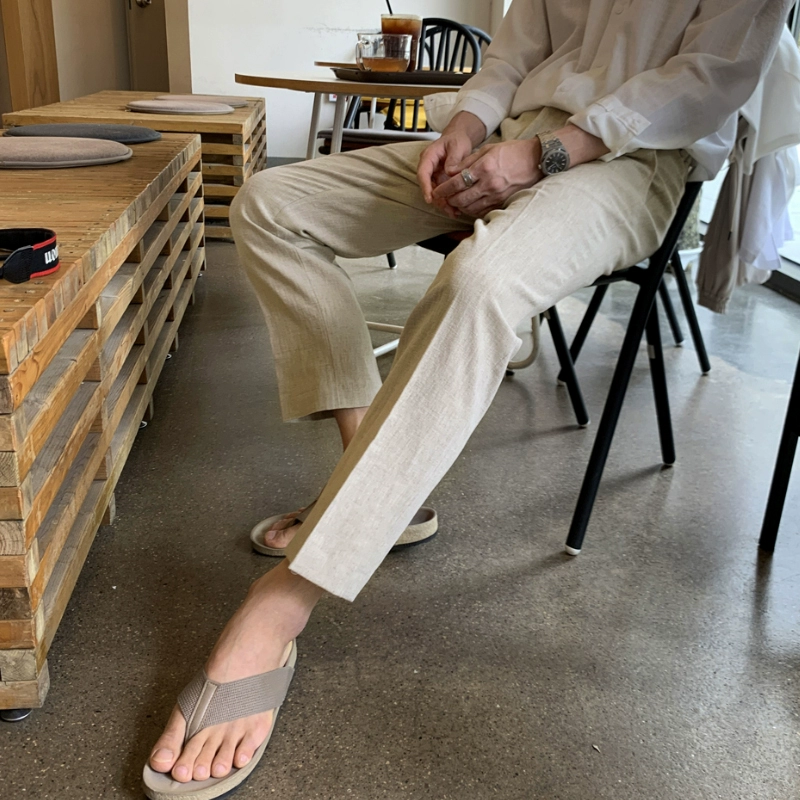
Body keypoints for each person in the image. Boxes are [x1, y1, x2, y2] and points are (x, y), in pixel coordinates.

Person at [143, 2, 791, 797]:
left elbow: (710, 79)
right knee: (270, 204)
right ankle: (369, 483)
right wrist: (468, 124)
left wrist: (549, 152)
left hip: (631, 159)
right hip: (506, 137)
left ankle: (282, 604)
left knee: (478, 284)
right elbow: (518, 49)